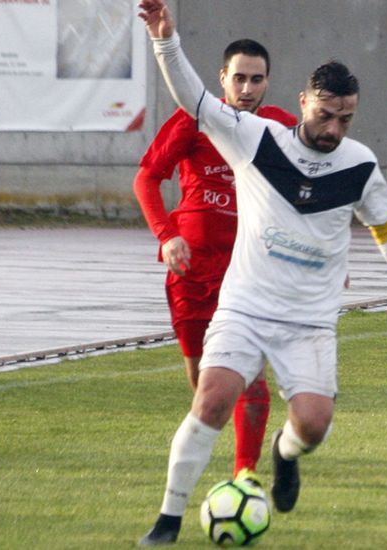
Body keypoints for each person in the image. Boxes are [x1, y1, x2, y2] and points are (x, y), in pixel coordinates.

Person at [136, 1, 387, 545]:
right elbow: (191, 97)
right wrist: (165, 40)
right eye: (325, 115)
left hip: (308, 319)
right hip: (244, 307)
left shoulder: (359, 164)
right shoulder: (256, 139)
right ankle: (167, 520)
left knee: (313, 424)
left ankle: (284, 454)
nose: (334, 128)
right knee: (211, 398)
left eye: (346, 118)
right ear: (304, 102)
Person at [134, 37, 297, 487]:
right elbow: (147, 178)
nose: (246, 87)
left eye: (256, 78)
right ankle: (210, 440)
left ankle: (245, 474)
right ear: (222, 78)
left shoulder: (280, 128)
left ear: (267, 82)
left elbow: (305, 192)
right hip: (192, 273)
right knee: (205, 381)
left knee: (251, 377)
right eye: (238, 77)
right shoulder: (193, 120)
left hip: (249, 273)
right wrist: (167, 237)